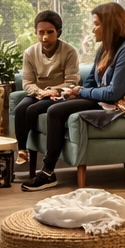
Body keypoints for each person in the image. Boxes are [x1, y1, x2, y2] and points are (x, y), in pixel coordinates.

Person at [20, 2, 125, 193]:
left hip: (124, 105)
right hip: (106, 101)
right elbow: (92, 81)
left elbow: (114, 92)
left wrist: (80, 91)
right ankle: (47, 170)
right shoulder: (105, 49)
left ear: (110, 25)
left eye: (97, 24)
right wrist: (72, 92)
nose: (93, 29)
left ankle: (48, 172)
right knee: (52, 105)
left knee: (56, 111)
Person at [12, 10, 81, 165]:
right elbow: (27, 82)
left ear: (59, 32)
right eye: (41, 32)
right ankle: (22, 150)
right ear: (35, 33)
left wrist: (53, 90)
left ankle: (42, 152)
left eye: (50, 32)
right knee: (21, 109)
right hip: (39, 93)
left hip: (61, 94)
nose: (45, 37)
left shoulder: (70, 52)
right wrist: (39, 92)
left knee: (32, 110)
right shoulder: (30, 52)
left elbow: (72, 81)